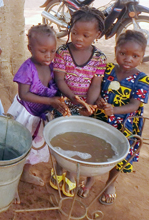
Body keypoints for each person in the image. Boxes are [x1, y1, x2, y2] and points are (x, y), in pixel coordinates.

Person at [78, 30, 149, 205]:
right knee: (94, 150)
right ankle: (90, 179)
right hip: (101, 120)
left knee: (119, 155)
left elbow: (134, 105)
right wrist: (98, 100)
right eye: (123, 53)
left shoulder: (143, 79)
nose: (128, 59)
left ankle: (110, 184)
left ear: (142, 56)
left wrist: (114, 110)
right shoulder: (107, 69)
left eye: (135, 55)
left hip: (125, 126)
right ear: (116, 50)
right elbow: (97, 89)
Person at [51, 6, 107, 197]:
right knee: (63, 138)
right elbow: (60, 80)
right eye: (74, 33)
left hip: (85, 107)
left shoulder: (100, 58)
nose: (78, 38)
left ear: (97, 34)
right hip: (65, 103)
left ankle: (73, 174)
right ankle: (58, 170)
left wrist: (88, 106)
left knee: (79, 141)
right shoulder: (63, 52)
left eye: (85, 35)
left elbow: (95, 85)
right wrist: (75, 100)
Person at [7, 24, 67, 189]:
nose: (49, 55)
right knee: (17, 146)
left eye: (52, 51)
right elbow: (24, 94)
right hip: (25, 114)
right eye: (43, 51)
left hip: (40, 116)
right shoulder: (27, 69)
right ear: (30, 48)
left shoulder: (53, 67)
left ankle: (25, 173)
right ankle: (10, 180)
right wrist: (50, 102)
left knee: (32, 147)